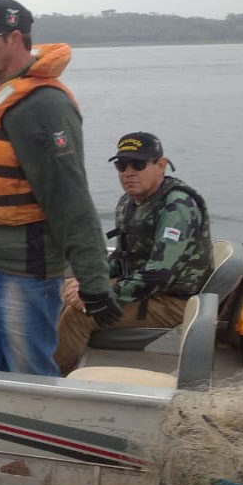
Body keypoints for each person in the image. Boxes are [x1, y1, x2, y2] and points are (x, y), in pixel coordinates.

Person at [0, 0, 120, 375]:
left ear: (14, 38)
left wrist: (93, 282)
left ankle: (37, 430)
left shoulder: (44, 106)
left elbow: (70, 199)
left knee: (28, 371)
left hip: (24, 268)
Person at [54, 132, 213, 374]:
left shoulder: (177, 206)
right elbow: (121, 258)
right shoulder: (129, 203)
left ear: (160, 165)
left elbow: (159, 275)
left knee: (79, 315)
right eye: (121, 165)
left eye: (138, 164)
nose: (128, 172)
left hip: (174, 300)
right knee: (64, 293)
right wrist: (88, 281)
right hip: (146, 289)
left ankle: (48, 381)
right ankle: (52, 362)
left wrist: (100, 296)